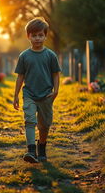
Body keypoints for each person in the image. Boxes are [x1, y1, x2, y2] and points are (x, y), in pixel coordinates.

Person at [13, 17, 61, 163]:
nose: (37, 38)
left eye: (40, 35)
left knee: (44, 125)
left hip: (46, 95)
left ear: (45, 36)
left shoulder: (50, 55)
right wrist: (16, 95)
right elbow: (20, 77)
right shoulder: (24, 56)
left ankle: (42, 148)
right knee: (29, 121)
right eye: (34, 35)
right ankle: (31, 151)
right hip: (29, 94)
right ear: (28, 36)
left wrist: (56, 91)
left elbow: (56, 74)